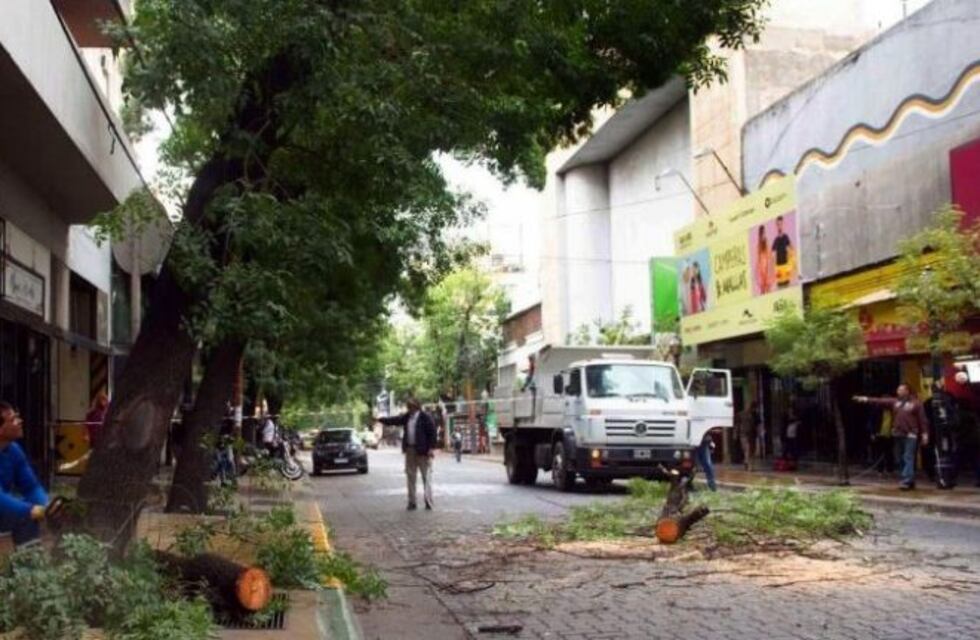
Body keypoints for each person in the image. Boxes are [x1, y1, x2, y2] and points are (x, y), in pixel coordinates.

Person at [854, 384, 930, 490]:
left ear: (907, 391)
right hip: (898, 433)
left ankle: (906, 480)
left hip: (911, 434)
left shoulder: (916, 403)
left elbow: (922, 420)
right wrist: (866, 399)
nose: (898, 391)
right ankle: (909, 479)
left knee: (908, 456)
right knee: (901, 457)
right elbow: (880, 401)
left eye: (901, 389)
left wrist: (925, 434)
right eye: (898, 389)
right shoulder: (895, 402)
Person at [0, 401, 49, 547]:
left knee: (27, 518)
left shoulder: (13, 450)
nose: (20, 421)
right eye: (13, 419)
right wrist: (29, 510)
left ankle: (29, 567)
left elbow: (31, 487)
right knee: (26, 514)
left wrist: (44, 506)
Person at [377, 398, 438, 510]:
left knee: (426, 477)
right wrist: (381, 420)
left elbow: (432, 433)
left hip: (423, 451)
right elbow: (395, 420)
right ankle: (412, 502)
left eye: (411, 406)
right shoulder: (407, 417)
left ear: (416, 407)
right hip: (410, 450)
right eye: (408, 406)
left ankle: (428, 501)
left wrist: (431, 448)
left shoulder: (425, 417)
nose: (409, 409)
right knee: (410, 476)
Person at [772, 215, 794, 289]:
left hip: (786, 268)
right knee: (780, 289)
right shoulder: (775, 240)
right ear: (776, 225)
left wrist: (790, 258)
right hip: (779, 271)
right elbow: (772, 254)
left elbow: (792, 248)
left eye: (781, 224)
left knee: (788, 287)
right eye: (778, 224)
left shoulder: (786, 237)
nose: (779, 226)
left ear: (783, 224)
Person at [736, 402, 758, 471]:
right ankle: (748, 464)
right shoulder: (742, 414)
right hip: (745, 434)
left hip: (750, 434)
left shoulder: (754, 414)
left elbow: (757, 424)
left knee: (749, 450)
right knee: (748, 449)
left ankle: (748, 464)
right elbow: (737, 424)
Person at [755, 225, 772, 294]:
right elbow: (758, 257)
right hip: (761, 266)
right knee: (762, 288)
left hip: (766, 265)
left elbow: (769, 255)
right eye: (762, 232)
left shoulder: (766, 242)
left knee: (768, 287)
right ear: (760, 234)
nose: (764, 234)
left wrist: (768, 266)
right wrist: (760, 269)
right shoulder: (759, 244)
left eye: (764, 232)